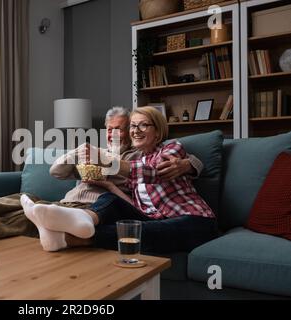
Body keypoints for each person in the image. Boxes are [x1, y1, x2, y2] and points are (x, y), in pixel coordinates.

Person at [0, 107, 203, 251]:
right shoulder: (97, 153)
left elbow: (144, 181)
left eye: (121, 129)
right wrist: (76, 153)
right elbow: (55, 172)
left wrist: (191, 164)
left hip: (90, 209)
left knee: (34, 213)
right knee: (32, 202)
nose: (115, 134)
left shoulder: (132, 158)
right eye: (110, 130)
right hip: (67, 202)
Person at [21, 106, 218, 254]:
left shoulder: (171, 149)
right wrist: (107, 185)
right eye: (133, 126)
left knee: (144, 230)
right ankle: (83, 220)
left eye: (143, 125)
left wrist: (190, 164)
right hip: (153, 217)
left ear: (158, 132)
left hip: (194, 220)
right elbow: (133, 205)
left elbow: (152, 172)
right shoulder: (133, 159)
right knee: (113, 201)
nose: (136, 130)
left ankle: (69, 238)